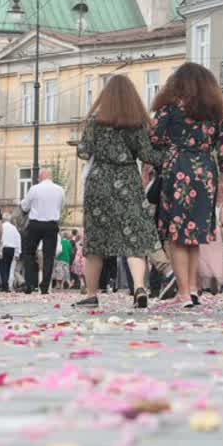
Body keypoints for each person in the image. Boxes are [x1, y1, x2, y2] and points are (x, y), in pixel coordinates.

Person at [150, 61, 223, 309]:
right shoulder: (216, 111)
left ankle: (184, 292)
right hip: (206, 172)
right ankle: (194, 290)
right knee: (195, 234)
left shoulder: (170, 109)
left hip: (178, 170)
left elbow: (154, 138)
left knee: (177, 236)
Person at [76, 74, 163, 310]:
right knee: (134, 239)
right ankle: (139, 288)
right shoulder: (137, 121)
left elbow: (83, 151)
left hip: (99, 182)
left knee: (95, 241)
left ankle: (92, 294)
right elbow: (147, 155)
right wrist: (167, 156)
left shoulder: (95, 120)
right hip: (127, 180)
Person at [19, 169, 65, 294]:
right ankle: (45, 286)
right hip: (51, 224)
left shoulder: (34, 189)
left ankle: (29, 284)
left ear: (40, 177)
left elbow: (24, 206)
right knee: (49, 256)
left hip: (35, 224)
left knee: (29, 253)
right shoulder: (60, 190)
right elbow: (61, 207)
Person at [0, 215, 20, 291]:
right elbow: (18, 240)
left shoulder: (1, 227)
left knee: (2, 267)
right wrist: (17, 252)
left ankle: (4, 285)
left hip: (3, 248)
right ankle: (6, 284)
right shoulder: (14, 228)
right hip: (11, 249)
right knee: (8, 268)